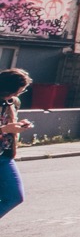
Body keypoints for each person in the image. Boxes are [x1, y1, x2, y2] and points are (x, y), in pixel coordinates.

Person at [0, 68, 32, 218]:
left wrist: (19, 125)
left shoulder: (11, 102)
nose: (18, 94)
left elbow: (8, 123)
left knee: (15, 196)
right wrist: (5, 129)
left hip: (4, 155)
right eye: (18, 91)